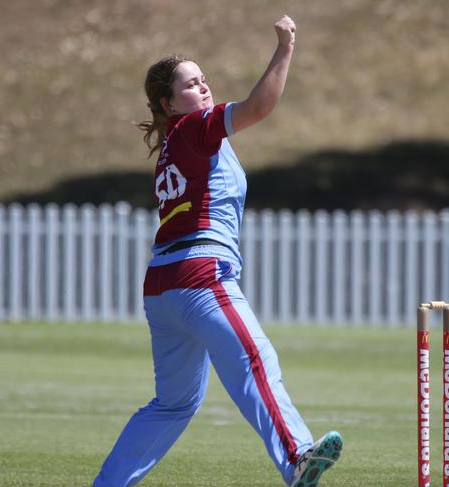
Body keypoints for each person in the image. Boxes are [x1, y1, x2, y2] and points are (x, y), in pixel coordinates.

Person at [93, 14, 342, 487]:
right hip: (198, 274)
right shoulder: (192, 128)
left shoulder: (173, 144)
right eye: (190, 85)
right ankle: (297, 457)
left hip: (162, 284)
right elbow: (258, 107)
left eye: (204, 80)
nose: (203, 89)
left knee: (173, 403)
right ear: (167, 103)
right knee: (255, 359)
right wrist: (285, 47)